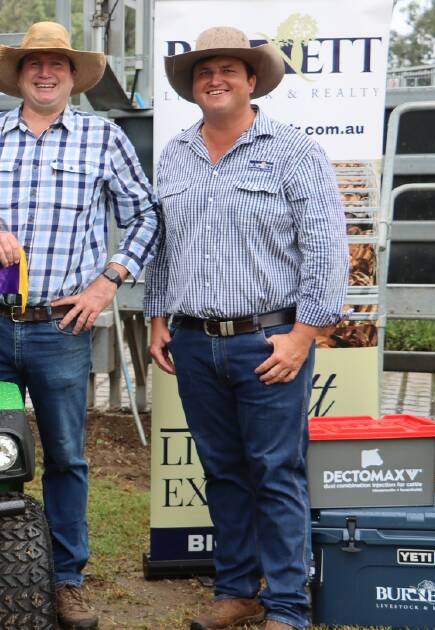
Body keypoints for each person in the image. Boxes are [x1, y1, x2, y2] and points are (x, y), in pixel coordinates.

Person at [0, 21, 160, 630]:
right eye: (35, 64)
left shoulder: (101, 138)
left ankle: (65, 578)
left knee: (65, 457)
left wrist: (108, 280)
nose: (46, 73)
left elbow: (145, 214)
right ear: (20, 74)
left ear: (72, 75)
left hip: (63, 325)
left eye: (57, 63)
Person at [145, 27, 348, 630]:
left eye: (229, 69)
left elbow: (326, 251)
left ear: (252, 80)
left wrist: (303, 336)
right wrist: (159, 318)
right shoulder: (176, 154)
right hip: (191, 340)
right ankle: (236, 590)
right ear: (192, 85)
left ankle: (287, 604)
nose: (216, 79)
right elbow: (163, 247)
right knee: (223, 470)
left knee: (276, 470)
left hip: (269, 341)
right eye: (205, 71)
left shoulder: (294, 151)